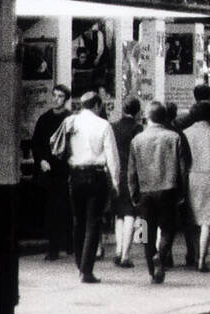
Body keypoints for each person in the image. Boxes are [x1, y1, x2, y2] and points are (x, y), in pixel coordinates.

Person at [60, 89, 119, 283]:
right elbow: (112, 156)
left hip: (75, 174)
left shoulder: (71, 122)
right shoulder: (103, 125)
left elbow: (61, 147)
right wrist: (116, 182)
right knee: (93, 223)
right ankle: (86, 270)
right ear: (97, 105)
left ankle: (79, 263)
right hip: (96, 176)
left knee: (78, 220)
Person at [128, 101, 188, 283]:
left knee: (146, 230)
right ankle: (161, 255)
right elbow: (183, 168)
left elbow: (132, 171)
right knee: (168, 228)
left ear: (147, 117)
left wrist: (134, 193)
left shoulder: (137, 140)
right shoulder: (174, 137)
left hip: (145, 192)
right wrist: (182, 192)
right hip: (168, 189)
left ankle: (151, 268)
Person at [182, 99, 210, 271]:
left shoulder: (185, 133)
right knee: (206, 221)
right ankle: (202, 259)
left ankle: (191, 253)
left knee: (190, 219)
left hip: (190, 178)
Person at [31, 83, 72, 260]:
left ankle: (68, 242)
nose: (56, 99)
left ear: (66, 99)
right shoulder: (44, 119)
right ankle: (52, 246)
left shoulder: (70, 119)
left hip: (64, 169)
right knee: (51, 208)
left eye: (60, 96)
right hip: (48, 170)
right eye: (54, 95)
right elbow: (36, 143)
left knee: (65, 207)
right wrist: (41, 160)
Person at [111, 95, 143, 267]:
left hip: (116, 173)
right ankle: (125, 255)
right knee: (130, 213)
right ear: (137, 111)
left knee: (119, 215)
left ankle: (117, 249)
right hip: (132, 174)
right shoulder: (137, 128)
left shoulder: (113, 127)